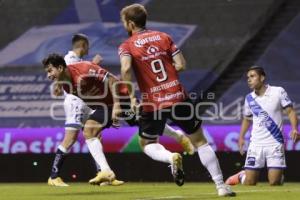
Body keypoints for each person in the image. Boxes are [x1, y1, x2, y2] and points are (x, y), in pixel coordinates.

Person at [47, 33, 194, 187]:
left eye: (50, 71)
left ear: (60, 67)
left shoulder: (82, 68)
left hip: (120, 98)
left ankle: (177, 136)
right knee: (90, 131)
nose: (48, 75)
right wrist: (104, 117)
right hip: (106, 105)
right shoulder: (67, 84)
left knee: (144, 124)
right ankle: (106, 172)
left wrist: (117, 106)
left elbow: (112, 80)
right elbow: (89, 97)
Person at [119, 4, 235, 196]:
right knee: (200, 142)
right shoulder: (164, 37)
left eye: (124, 22)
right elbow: (181, 64)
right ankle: (221, 186)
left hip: (152, 101)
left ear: (130, 23)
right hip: (178, 96)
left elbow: (124, 69)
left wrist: (132, 97)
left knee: (147, 143)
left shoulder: (127, 45)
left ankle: (170, 157)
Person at [225, 66, 299, 186]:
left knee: (274, 182)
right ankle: (241, 176)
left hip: (275, 142)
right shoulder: (249, 98)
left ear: (262, 77)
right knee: (249, 182)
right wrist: (241, 137)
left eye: (252, 76)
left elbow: (290, 111)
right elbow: (247, 119)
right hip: (256, 144)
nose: (249, 79)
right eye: (248, 77)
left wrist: (295, 128)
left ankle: (278, 177)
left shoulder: (278, 91)